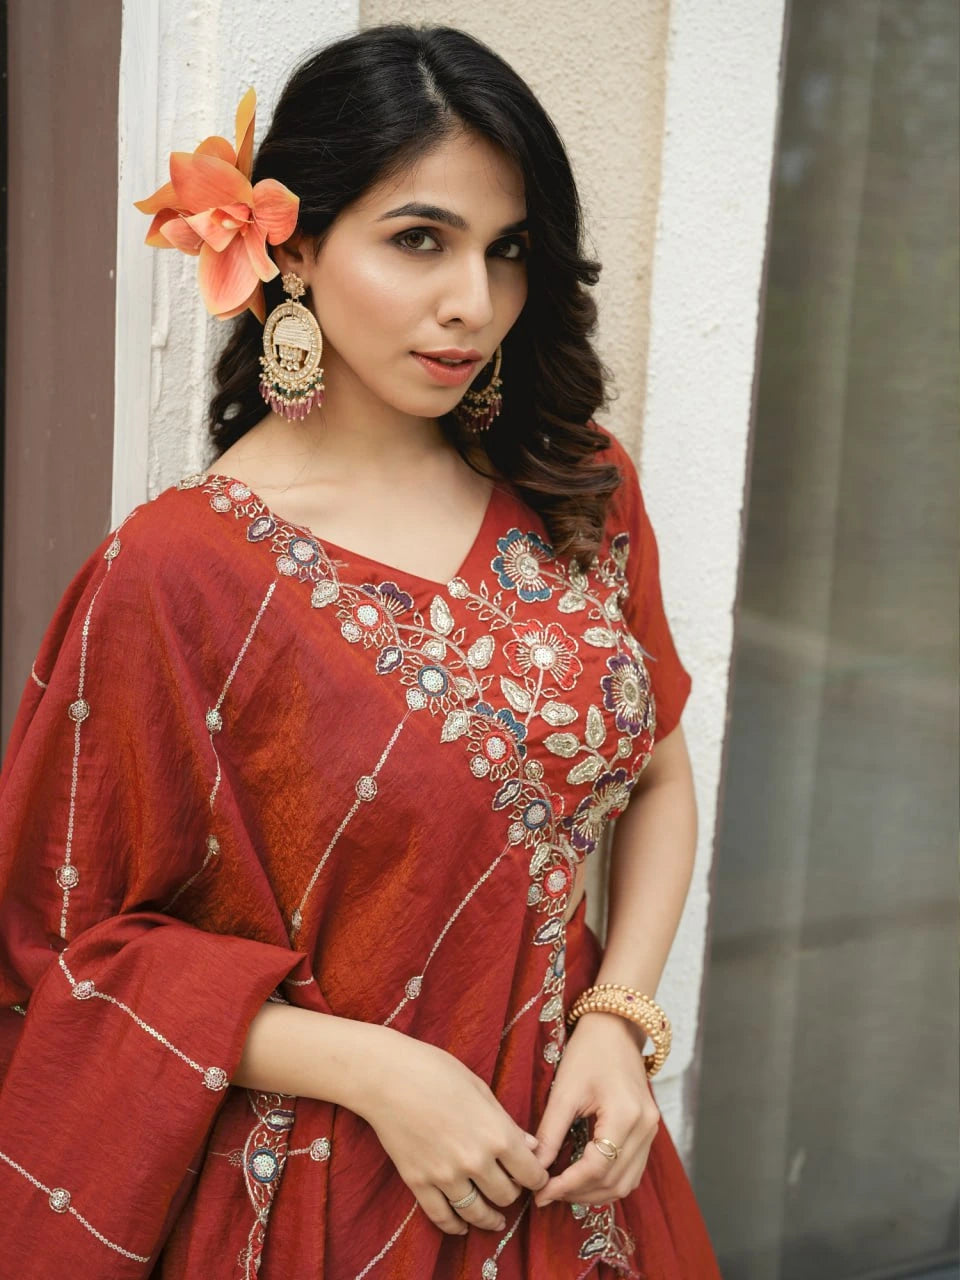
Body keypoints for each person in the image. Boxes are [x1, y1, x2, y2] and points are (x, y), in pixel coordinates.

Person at [0, 23, 723, 1280]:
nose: (473, 304)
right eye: (419, 240)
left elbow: (655, 773)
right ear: (291, 243)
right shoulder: (180, 574)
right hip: (324, 1200)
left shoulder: (577, 488)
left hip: (576, 1169)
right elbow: (72, 946)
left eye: (507, 253)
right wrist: (379, 1067)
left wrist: (620, 1018)